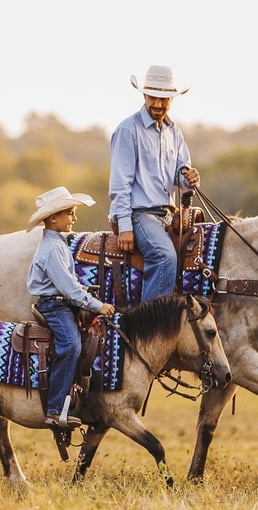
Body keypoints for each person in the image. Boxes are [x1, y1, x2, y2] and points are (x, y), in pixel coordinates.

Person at [108, 64, 201, 302]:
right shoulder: (128, 130)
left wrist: (190, 178)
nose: (158, 104)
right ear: (144, 95)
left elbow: (181, 175)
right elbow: (120, 184)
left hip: (167, 215)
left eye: (164, 99)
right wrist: (125, 226)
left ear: (172, 99)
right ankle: (150, 327)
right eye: (153, 97)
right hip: (140, 214)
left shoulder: (174, 132)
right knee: (164, 256)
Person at [26, 186, 116, 429]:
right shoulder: (53, 249)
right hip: (55, 307)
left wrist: (84, 292)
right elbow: (67, 289)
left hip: (63, 304)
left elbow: (70, 284)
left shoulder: (59, 244)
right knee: (71, 346)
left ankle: (79, 400)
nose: (74, 219)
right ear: (54, 218)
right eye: (70, 213)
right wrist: (97, 305)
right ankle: (54, 409)